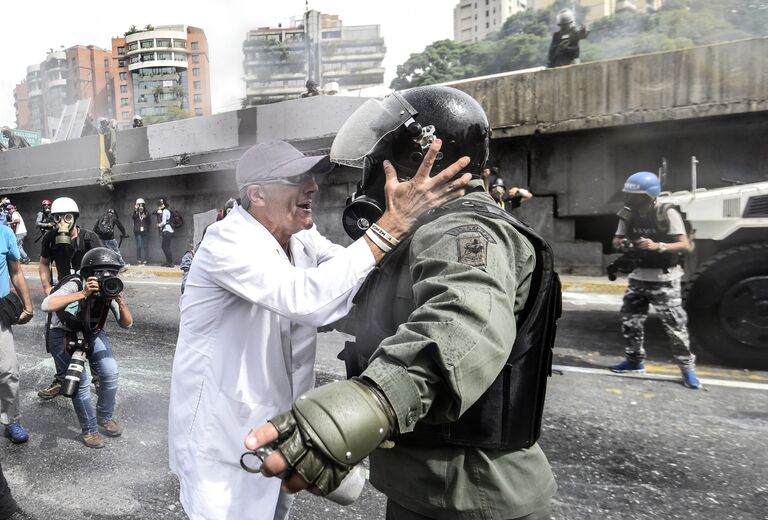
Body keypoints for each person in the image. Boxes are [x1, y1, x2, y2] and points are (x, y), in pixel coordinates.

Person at [246, 86, 561, 520]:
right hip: (438, 489)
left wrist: (358, 411)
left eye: (380, 161)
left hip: (468, 495)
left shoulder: (463, 232)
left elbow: (460, 325)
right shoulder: (432, 230)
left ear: (421, 162)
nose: (372, 176)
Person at [168, 138, 471, 520]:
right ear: (257, 194)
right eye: (297, 178)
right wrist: (393, 222)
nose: (312, 186)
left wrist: (418, 227)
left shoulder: (300, 235)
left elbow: (350, 273)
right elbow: (310, 299)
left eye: (312, 177)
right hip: (223, 440)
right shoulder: (226, 240)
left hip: (280, 432)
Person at [609, 171, 702, 389]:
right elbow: (617, 239)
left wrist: (657, 246)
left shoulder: (666, 213)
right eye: (629, 195)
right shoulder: (627, 214)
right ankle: (634, 362)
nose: (631, 199)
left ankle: (687, 370)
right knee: (630, 322)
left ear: (649, 196)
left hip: (664, 279)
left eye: (637, 196)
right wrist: (623, 244)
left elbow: (684, 244)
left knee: (675, 327)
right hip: (638, 277)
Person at [41, 247, 132, 448]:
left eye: (112, 272)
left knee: (110, 372)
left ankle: (105, 417)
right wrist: (83, 293)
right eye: (100, 272)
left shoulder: (108, 290)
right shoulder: (75, 283)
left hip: (92, 332)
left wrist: (120, 302)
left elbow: (127, 324)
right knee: (81, 382)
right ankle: (89, 430)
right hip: (63, 333)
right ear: (88, 273)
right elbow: (47, 305)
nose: (106, 277)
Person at [37, 197, 103, 400]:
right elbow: (43, 263)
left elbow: (101, 265)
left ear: (74, 218)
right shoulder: (50, 238)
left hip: (88, 293)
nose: (61, 223)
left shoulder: (90, 238)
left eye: (66, 218)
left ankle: (99, 378)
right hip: (63, 292)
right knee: (56, 335)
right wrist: (48, 288)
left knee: (91, 333)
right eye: (57, 218)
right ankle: (61, 377)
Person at [0, 220, 33, 445]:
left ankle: (11, 420)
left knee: (8, 370)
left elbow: (16, 271)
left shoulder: (4, 233)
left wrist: (28, 306)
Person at [156, 197, 174, 267]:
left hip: (167, 231)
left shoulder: (165, 211)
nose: (160, 206)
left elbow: (163, 222)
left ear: (164, 204)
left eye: (161, 204)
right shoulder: (166, 211)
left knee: (165, 247)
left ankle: (170, 263)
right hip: (167, 231)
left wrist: (158, 225)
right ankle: (168, 262)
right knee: (165, 247)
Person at [132, 198, 150, 265]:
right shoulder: (136, 212)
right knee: (139, 246)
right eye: (138, 204)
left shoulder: (146, 212)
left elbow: (149, 222)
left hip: (145, 231)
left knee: (145, 246)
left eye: (141, 204)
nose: (140, 206)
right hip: (137, 231)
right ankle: (139, 259)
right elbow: (133, 217)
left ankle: (145, 259)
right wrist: (136, 210)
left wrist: (146, 217)